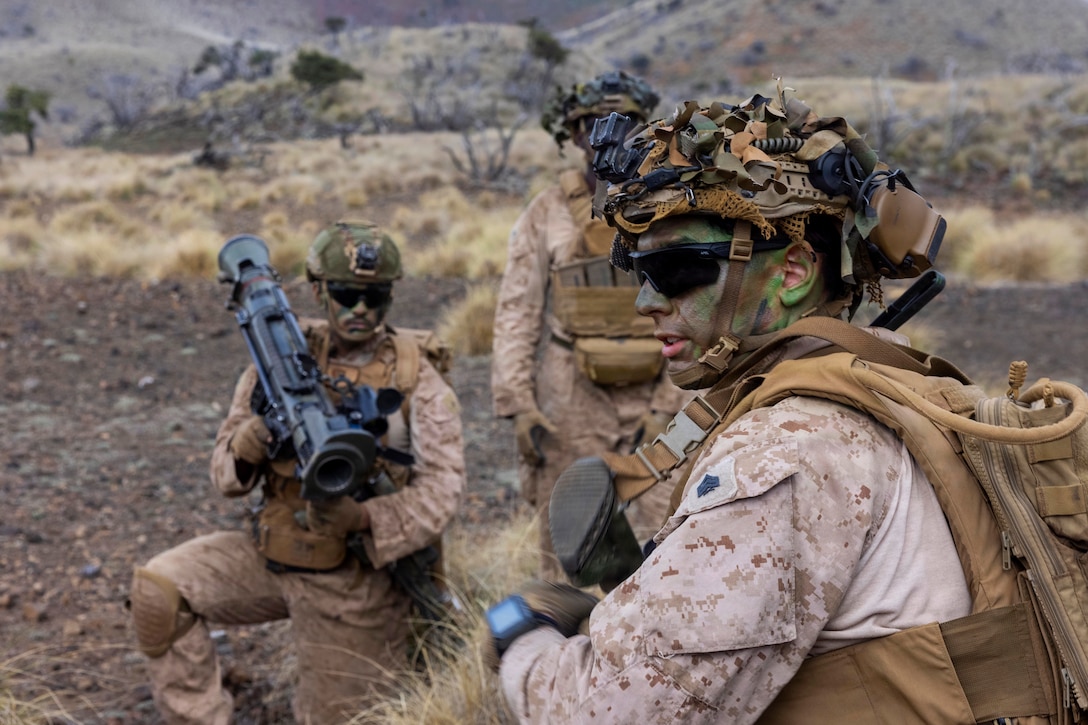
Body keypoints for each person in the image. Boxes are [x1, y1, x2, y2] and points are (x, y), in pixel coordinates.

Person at [488, 92, 1032, 722]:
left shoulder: (786, 451)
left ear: (795, 269)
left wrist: (521, 643)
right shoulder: (891, 381)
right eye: (637, 269)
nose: (645, 302)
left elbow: (607, 714)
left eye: (674, 268)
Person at [128, 221, 465, 724]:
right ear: (317, 291)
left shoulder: (419, 380)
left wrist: (364, 519)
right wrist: (244, 447)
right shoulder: (279, 360)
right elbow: (224, 477)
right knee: (160, 592)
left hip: (354, 579)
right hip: (273, 550)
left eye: (374, 298)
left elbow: (443, 492)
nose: (359, 311)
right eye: (346, 294)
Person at [491, 70, 696, 580]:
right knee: (569, 539)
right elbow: (517, 309)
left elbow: (697, 306)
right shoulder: (548, 211)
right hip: (571, 391)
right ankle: (565, 648)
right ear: (575, 131)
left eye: (625, 120)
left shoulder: (673, 203)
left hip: (659, 380)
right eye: (591, 122)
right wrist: (519, 405)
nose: (606, 132)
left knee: (665, 533)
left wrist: (673, 407)